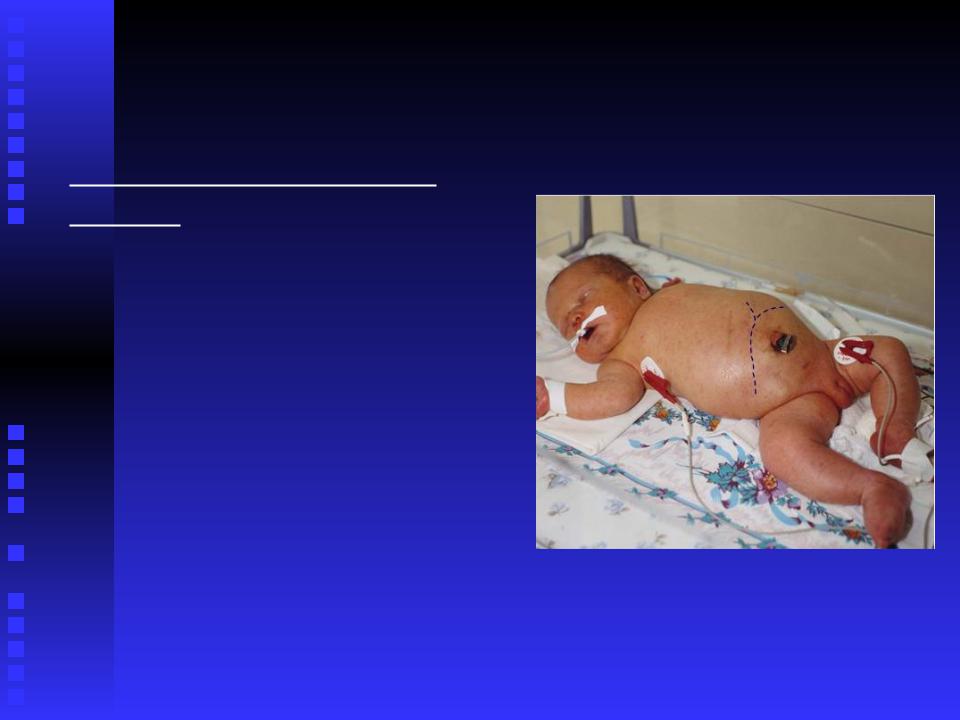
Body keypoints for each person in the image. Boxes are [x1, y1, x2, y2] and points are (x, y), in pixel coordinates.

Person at [536, 254, 923, 547]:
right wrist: (550, 395)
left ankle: (896, 428)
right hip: (790, 406)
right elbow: (612, 396)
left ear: (638, 287)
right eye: (566, 324)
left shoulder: (670, 294)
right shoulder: (622, 360)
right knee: (784, 450)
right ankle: (871, 489)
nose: (576, 318)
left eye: (583, 298)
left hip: (826, 355)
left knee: (888, 350)